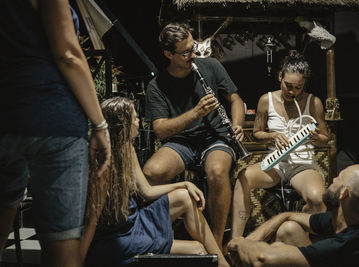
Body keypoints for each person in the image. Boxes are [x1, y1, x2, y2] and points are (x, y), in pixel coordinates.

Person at [0, 1, 111, 266]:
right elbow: (68, 54)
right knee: (61, 245)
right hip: (53, 119)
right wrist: (99, 125)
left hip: (5, 113)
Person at [81, 97, 229, 267]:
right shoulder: (103, 164)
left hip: (135, 220)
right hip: (118, 238)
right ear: (124, 124)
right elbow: (91, 220)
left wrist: (184, 184)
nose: (139, 121)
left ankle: (223, 263)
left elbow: (146, 191)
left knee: (185, 197)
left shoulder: (127, 148)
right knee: (197, 249)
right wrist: (78, 261)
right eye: (135, 118)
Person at [143, 22, 245, 249]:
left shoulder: (211, 66)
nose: (193, 54)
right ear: (168, 54)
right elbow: (160, 129)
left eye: (193, 47)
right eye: (186, 52)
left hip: (216, 137)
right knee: (152, 171)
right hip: (181, 141)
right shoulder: (157, 85)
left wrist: (237, 125)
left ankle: (216, 246)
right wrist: (196, 113)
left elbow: (236, 100)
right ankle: (161, 236)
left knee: (217, 171)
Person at [231, 50, 329, 239]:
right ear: (279, 77)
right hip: (275, 163)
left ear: (304, 84)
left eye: (298, 87)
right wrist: (272, 136)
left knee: (317, 199)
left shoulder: (313, 102)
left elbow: (326, 137)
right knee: (243, 178)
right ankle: (235, 241)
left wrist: (315, 137)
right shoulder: (266, 100)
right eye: (288, 85)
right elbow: (257, 133)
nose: (291, 91)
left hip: (303, 164)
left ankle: (306, 245)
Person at [227, 164, 359, 267]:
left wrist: (241, 243)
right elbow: (288, 216)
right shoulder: (346, 221)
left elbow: (261, 258)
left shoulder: (347, 243)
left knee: (268, 254)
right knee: (288, 229)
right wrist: (250, 241)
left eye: (340, 178)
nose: (333, 179)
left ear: (343, 193)